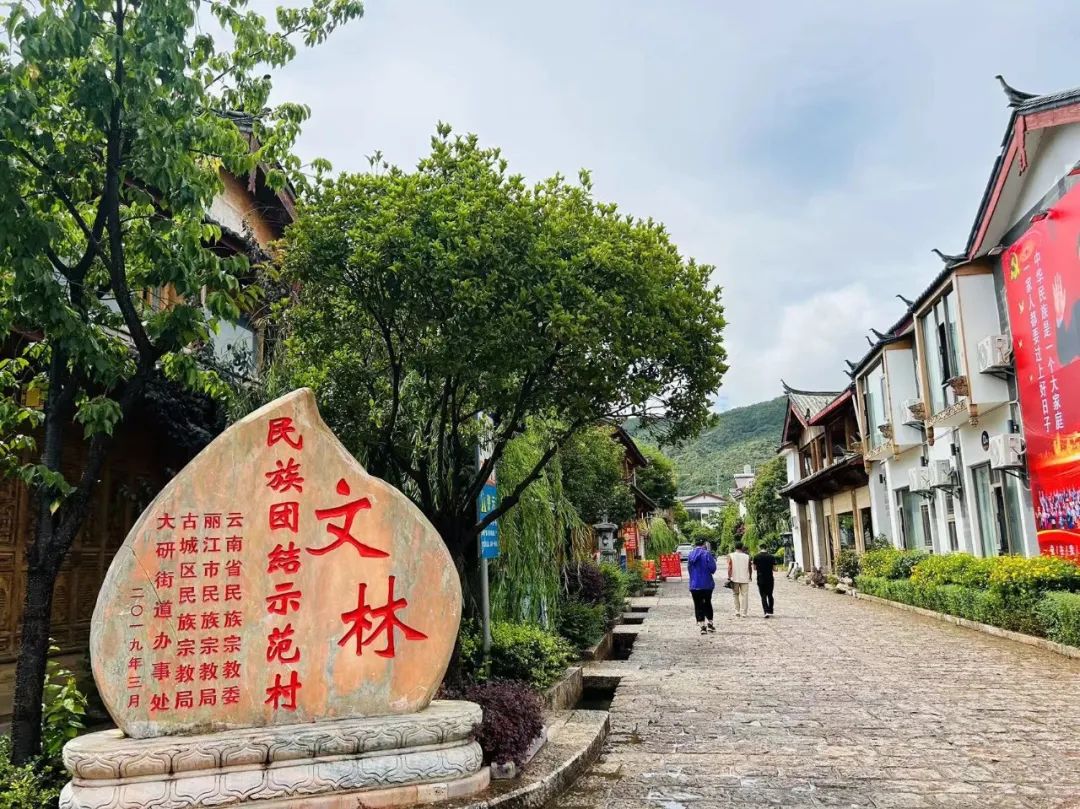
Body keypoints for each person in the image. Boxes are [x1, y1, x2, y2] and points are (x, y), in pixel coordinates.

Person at [687, 537, 717, 634]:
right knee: (707, 602)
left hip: (695, 584)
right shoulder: (707, 554)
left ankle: (702, 626)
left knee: (698, 604)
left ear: (695, 544)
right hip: (707, 583)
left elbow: (689, 569)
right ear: (704, 544)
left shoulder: (690, 555)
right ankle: (710, 624)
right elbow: (712, 568)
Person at [727, 542, 752, 618]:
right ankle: (744, 612)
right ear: (742, 547)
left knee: (735, 594)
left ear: (735, 547)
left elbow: (730, 567)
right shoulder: (747, 556)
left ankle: (737, 611)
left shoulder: (731, 555)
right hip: (745, 578)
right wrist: (750, 576)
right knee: (745, 595)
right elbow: (749, 567)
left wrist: (729, 577)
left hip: (734, 578)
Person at [752, 546, 776, 618]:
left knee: (763, 595)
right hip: (769, 578)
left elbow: (754, 568)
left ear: (760, 548)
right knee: (770, 594)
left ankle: (766, 611)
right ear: (766, 548)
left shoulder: (756, 556)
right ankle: (770, 610)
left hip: (761, 578)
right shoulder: (771, 557)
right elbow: (774, 568)